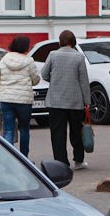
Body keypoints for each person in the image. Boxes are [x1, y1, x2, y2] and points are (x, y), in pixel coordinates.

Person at [39, 30, 91, 169]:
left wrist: (54, 79)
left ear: (60, 42)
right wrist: (87, 102)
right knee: (76, 132)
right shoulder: (79, 57)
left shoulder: (53, 55)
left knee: (57, 133)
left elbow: (44, 74)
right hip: (75, 101)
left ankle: (61, 163)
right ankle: (78, 160)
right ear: (73, 42)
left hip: (55, 101)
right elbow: (84, 81)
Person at [0, 35, 41, 157]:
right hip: (24, 101)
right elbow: (35, 80)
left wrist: (1, 92)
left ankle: (10, 159)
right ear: (25, 47)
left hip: (6, 100)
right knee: (24, 129)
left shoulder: (4, 59)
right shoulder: (29, 61)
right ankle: (24, 158)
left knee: (8, 130)